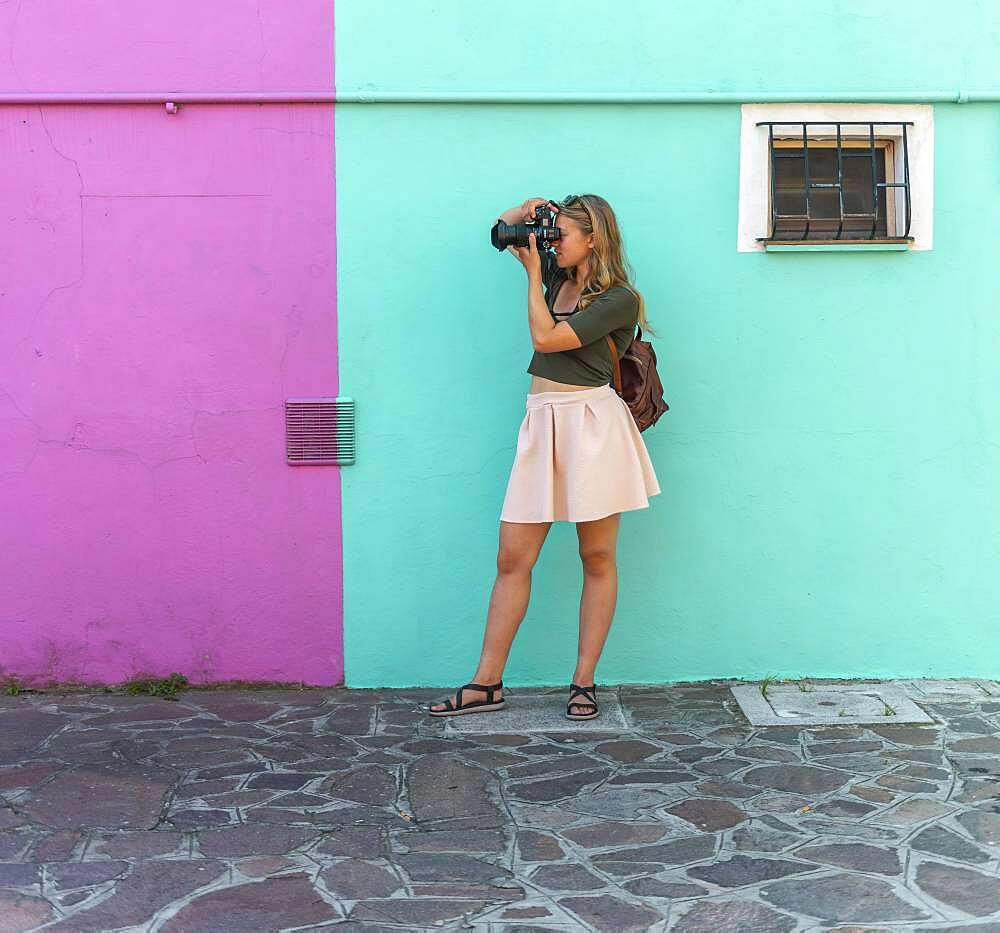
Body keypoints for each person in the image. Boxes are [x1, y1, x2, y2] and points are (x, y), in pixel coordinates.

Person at [427, 194, 661, 721]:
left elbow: (546, 337)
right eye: (553, 235)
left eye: (563, 235)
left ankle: (583, 681)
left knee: (596, 557)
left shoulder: (619, 298)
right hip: (543, 420)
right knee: (512, 558)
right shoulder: (557, 275)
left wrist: (534, 276)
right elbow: (498, 233)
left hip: (591, 425)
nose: (553, 244)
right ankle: (486, 682)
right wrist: (523, 211)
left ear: (594, 238)